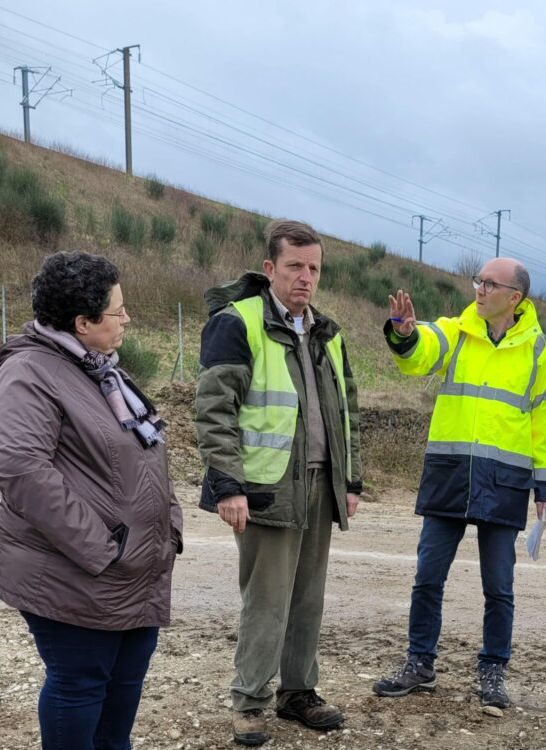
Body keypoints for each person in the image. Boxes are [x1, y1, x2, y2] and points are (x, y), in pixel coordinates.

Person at [0, 251, 181, 750]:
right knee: (79, 685)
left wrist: (170, 523)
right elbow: (21, 470)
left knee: (121, 693)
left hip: (135, 568)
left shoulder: (101, 372)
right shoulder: (30, 373)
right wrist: (103, 549)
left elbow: (145, 454)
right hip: (79, 573)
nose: (127, 318)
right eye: (118, 310)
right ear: (83, 322)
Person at [195, 220, 362, 746]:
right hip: (265, 488)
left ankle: (297, 693)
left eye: (314, 268)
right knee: (266, 600)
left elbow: (346, 411)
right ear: (270, 269)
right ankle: (249, 702)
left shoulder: (326, 332)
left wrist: (350, 480)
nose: (305, 277)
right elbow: (213, 410)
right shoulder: (236, 322)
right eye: (295, 266)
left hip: (318, 484)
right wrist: (228, 485)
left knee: (307, 598)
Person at [372, 257, 546, 708]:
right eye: (478, 280)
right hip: (450, 476)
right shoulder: (456, 330)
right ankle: (420, 663)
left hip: (506, 481)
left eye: (490, 284)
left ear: (514, 298)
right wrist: (404, 333)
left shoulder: (541, 352)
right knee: (427, 577)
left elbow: (545, 425)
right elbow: (420, 353)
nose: (479, 289)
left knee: (498, 587)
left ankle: (492, 670)